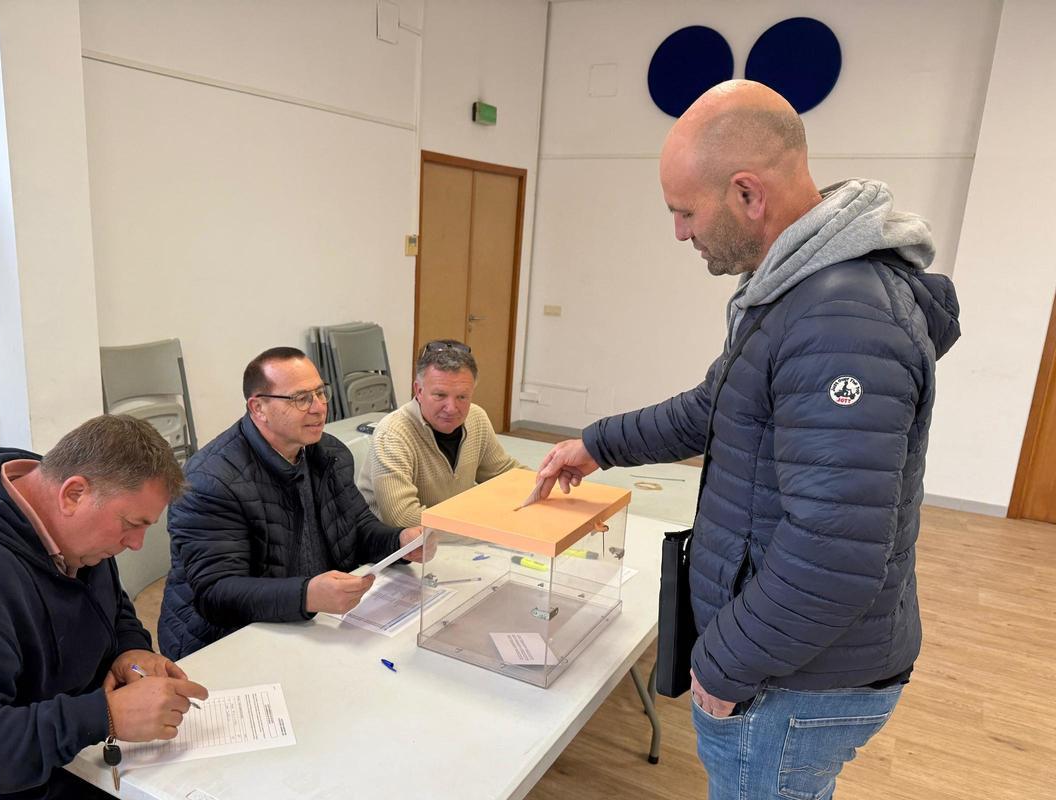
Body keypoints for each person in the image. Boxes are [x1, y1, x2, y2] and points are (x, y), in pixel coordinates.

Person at [532, 80, 960, 799]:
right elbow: (715, 406)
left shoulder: (838, 322)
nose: (679, 233)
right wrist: (596, 445)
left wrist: (725, 664)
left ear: (747, 194)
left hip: (794, 681)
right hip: (792, 660)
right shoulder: (797, 293)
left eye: (685, 211)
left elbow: (833, 555)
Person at [0, 414, 209, 800]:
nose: (136, 544)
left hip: (56, 766)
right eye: (132, 524)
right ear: (73, 494)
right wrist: (104, 716)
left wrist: (130, 650)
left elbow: (112, 608)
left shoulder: (70, 530)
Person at [158, 347, 426, 660]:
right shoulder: (210, 480)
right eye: (301, 398)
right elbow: (218, 593)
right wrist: (307, 595)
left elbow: (357, 528)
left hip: (306, 623)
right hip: (220, 641)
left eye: (321, 393)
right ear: (259, 408)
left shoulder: (328, 453)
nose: (319, 408)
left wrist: (400, 542)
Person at [357, 339, 519, 527]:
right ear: (418, 391)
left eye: (462, 397)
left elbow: (504, 473)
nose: (451, 408)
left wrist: (545, 481)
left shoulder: (476, 418)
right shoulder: (393, 434)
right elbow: (402, 518)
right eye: (440, 395)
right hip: (397, 541)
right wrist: (477, 522)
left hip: (450, 533)